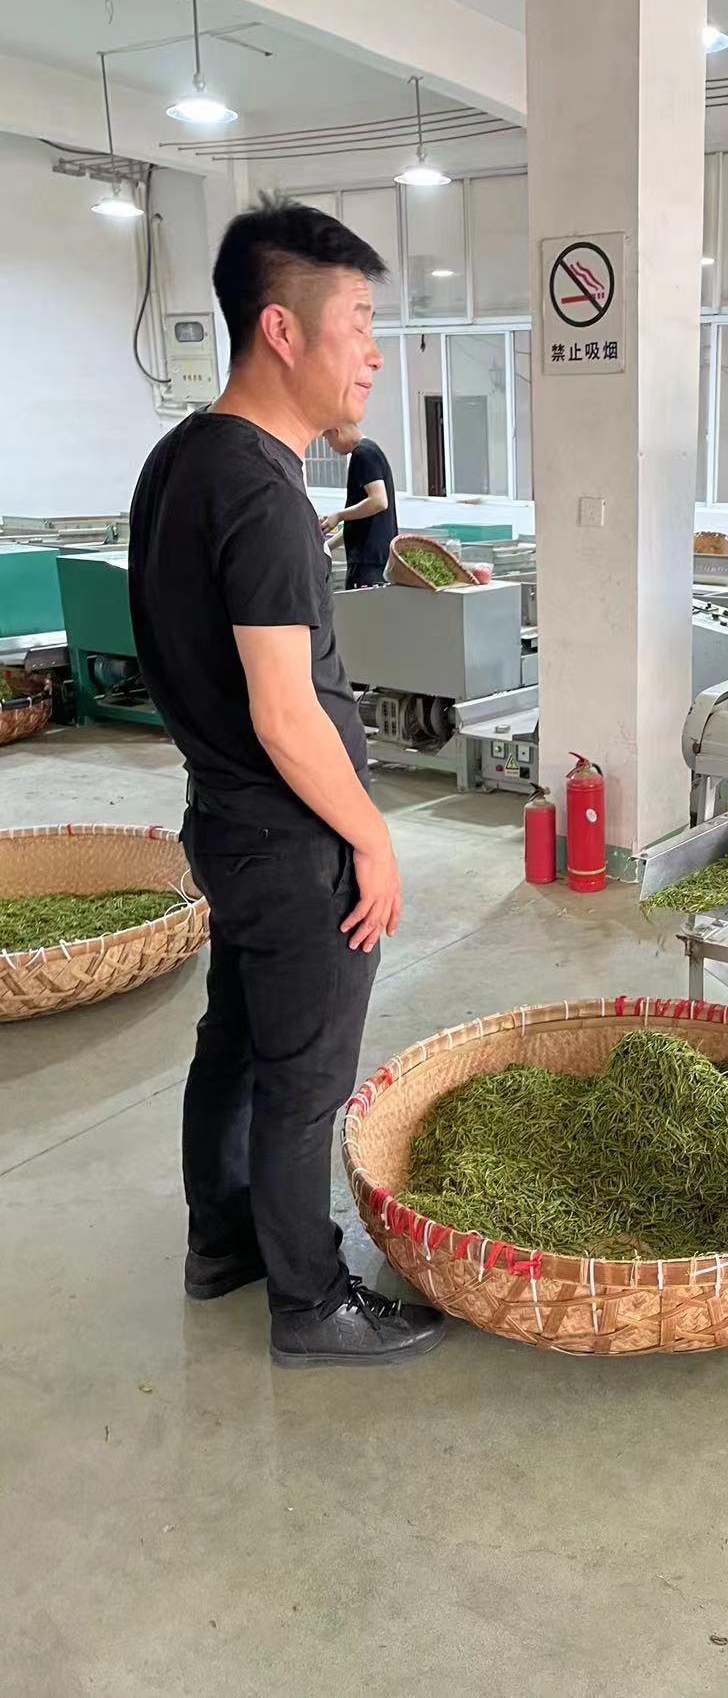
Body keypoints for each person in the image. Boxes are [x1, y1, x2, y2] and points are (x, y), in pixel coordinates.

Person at [128, 197, 444, 1368]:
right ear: (280, 328)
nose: (373, 352)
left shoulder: (181, 460)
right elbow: (284, 709)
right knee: (305, 1076)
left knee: (236, 1043)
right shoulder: (262, 491)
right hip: (289, 836)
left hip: (224, 819)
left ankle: (222, 1243)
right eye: (358, 320)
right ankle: (309, 1300)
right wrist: (372, 836)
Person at [320, 424, 397, 588]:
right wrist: (325, 547)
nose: (330, 446)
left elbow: (379, 501)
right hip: (374, 561)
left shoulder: (363, 454)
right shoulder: (370, 451)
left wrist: (339, 515)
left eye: (327, 438)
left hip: (369, 564)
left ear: (336, 431)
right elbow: (358, 522)